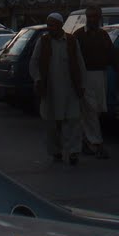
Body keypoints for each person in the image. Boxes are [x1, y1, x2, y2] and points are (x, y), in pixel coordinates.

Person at [29, 12, 86, 165]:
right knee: (52, 123)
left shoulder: (72, 41)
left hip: (70, 88)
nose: (50, 28)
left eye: (53, 25)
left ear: (60, 25)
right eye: (48, 25)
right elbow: (34, 63)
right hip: (51, 89)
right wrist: (38, 79)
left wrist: (82, 85)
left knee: (73, 120)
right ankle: (56, 151)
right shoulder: (43, 41)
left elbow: (80, 64)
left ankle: (74, 151)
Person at [74, 6, 119, 159]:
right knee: (91, 110)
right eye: (89, 16)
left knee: (97, 110)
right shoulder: (79, 35)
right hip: (85, 77)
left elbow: (112, 55)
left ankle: (86, 141)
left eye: (95, 16)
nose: (92, 19)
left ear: (99, 17)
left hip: (101, 76)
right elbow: (73, 60)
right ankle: (97, 144)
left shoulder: (103, 35)